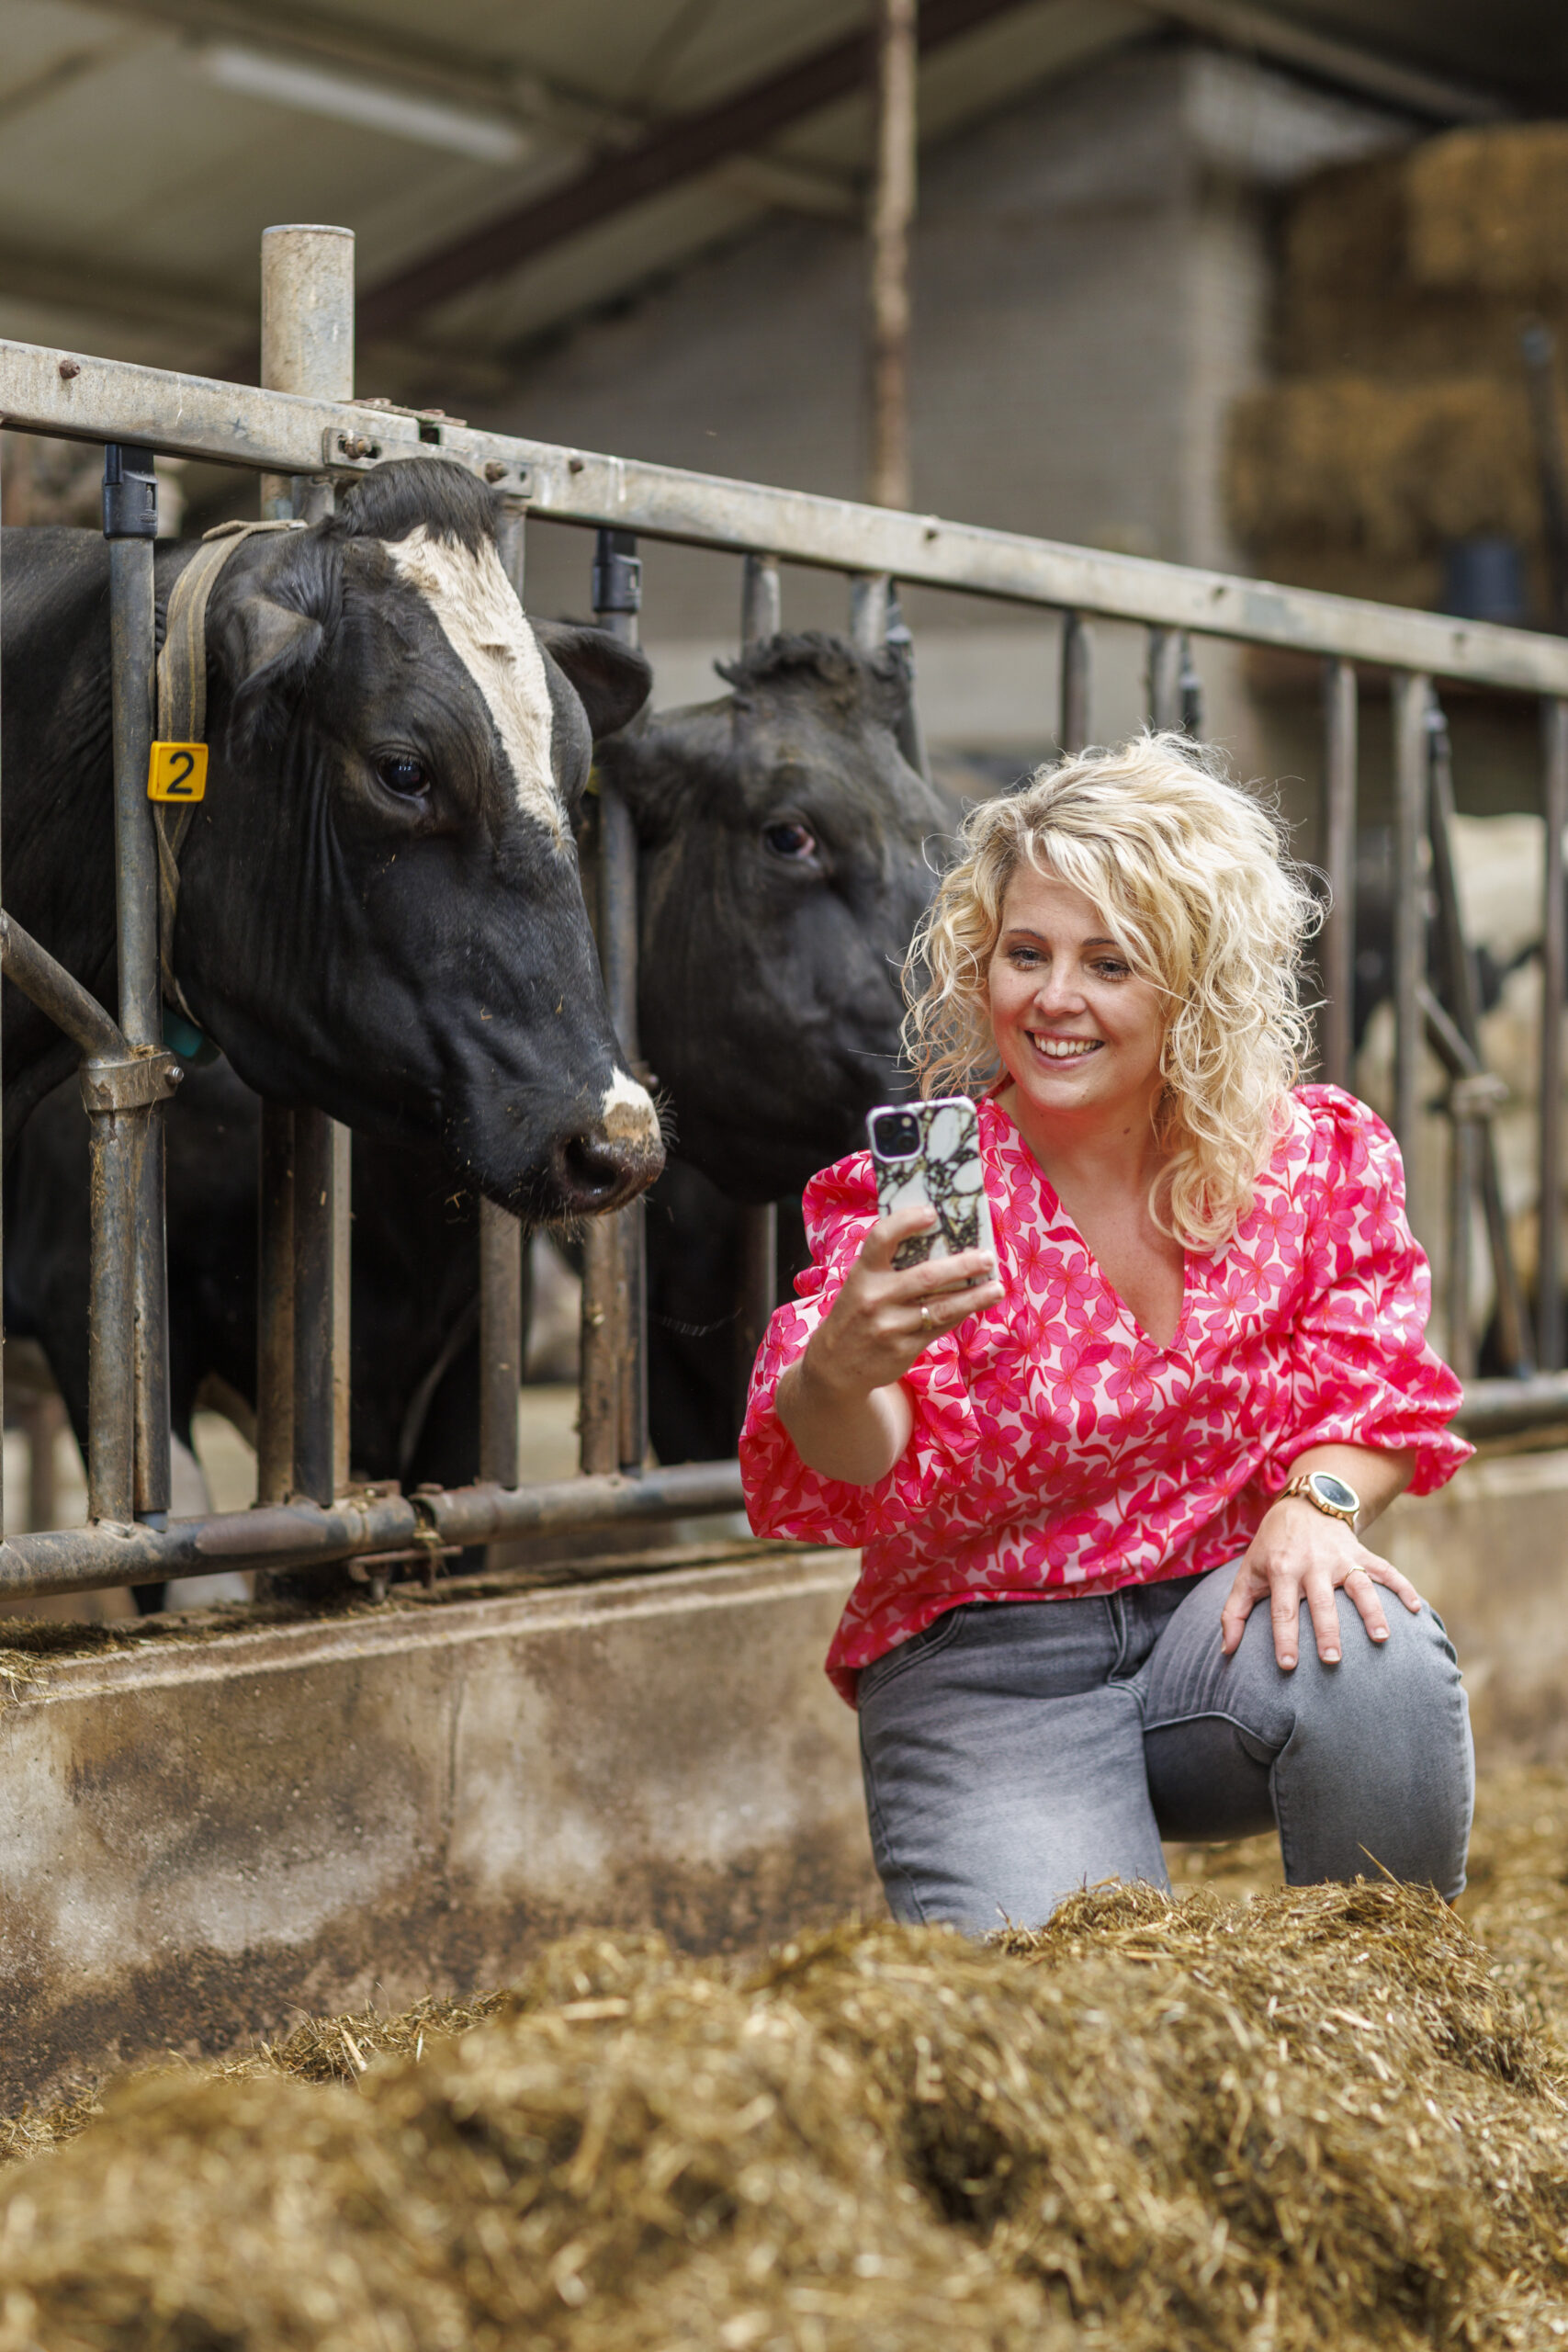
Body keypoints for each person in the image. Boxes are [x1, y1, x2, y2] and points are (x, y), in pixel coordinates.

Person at [739, 734, 1473, 1933]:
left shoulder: (1301, 1157)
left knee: (1376, 1651)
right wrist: (842, 1365)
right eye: (1025, 955)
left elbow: (1381, 1392)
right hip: (987, 1667)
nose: (1054, 999)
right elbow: (853, 1453)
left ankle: (1392, 2027)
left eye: (1111, 962)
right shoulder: (942, 1178)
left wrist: (1317, 1503)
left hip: (1213, 1627)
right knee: (1075, 2040)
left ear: (1195, 984)